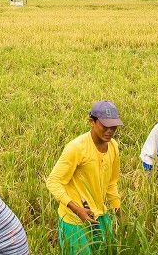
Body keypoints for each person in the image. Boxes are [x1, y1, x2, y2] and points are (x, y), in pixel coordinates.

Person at [46, 100, 123, 255]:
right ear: (92, 122)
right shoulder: (77, 148)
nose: (110, 130)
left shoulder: (113, 146)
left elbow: (111, 183)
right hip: (75, 219)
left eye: (113, 126)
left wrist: (117, 209)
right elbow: (53, 182)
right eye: (105, 125)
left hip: (99, 215)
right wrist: (76, 209)